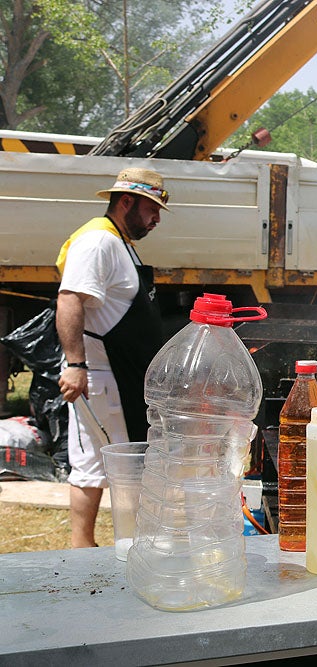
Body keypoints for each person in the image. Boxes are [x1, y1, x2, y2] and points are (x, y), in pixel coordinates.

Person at [56, 167, 168, 548]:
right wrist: (75, 365)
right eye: (151, 210)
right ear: (126, 202)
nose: (155, 220)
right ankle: (82, 550)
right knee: (97, 467)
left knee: (130, 462)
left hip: (122, 375)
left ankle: (132, 544)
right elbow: (70, 298)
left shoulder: (122, 244)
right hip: (101, 375)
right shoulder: (98, 242)